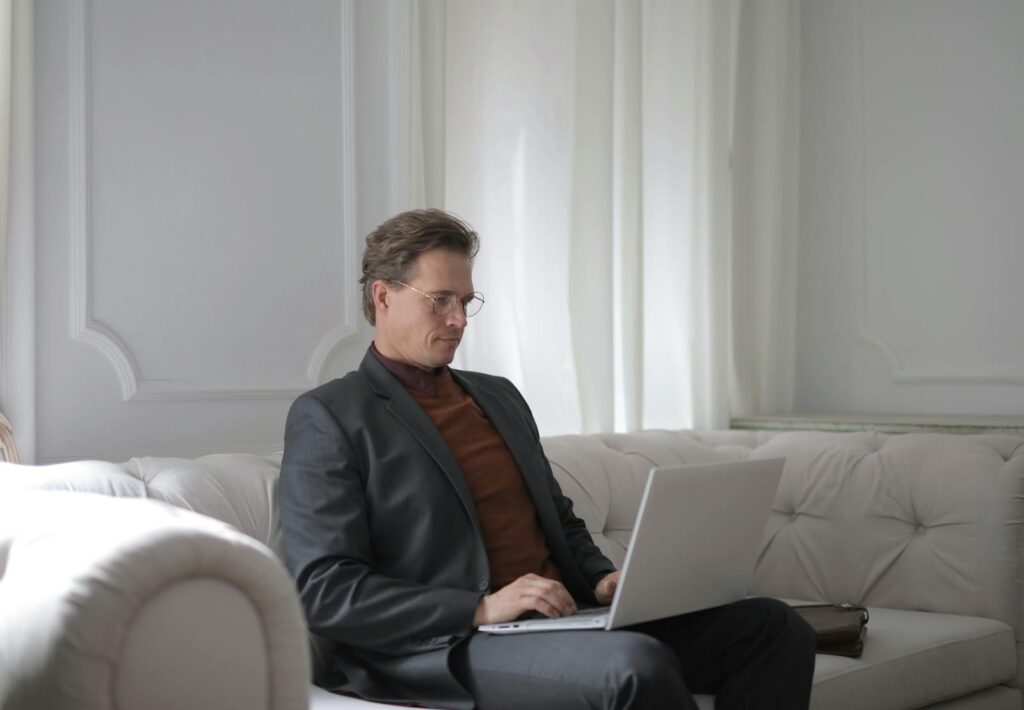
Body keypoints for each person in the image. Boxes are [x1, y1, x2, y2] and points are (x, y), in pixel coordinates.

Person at [279, 209, 816, 710]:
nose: (459, 320)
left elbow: (556, 517)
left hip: (562, 618)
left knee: (771, 627)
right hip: (448, 643)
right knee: (634, 667)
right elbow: (326, 590)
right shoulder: (331, 416)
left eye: (467, 301)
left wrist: (603, 579)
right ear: (383, 296)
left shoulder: (498, 396)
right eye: (440, 299)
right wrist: (479, 608)